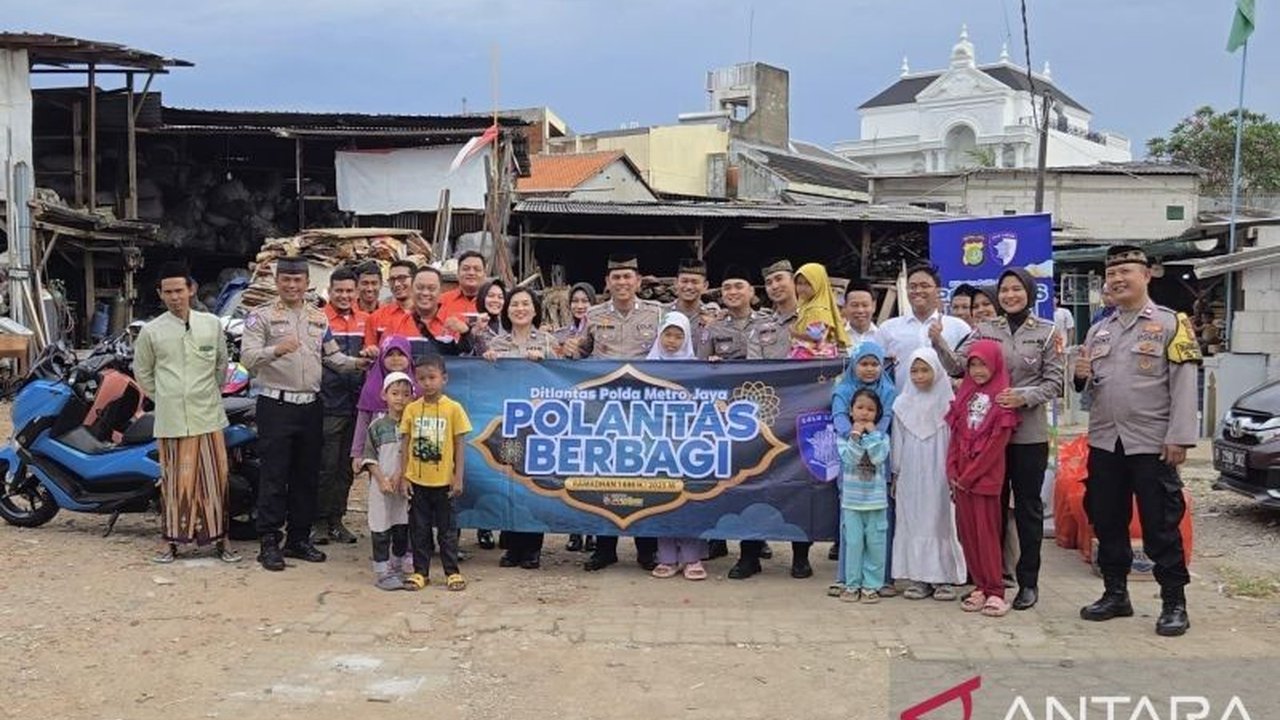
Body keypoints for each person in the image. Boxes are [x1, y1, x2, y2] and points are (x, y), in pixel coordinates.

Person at [1074, 245, 1199, 637]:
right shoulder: (1099, 329)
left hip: (1152, 443)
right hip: (1105, 442)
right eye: (1112, 274)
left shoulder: (1170, 323)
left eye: (1126, 271)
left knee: (1160, 525)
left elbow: (1184, 385)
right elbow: (1089, 394)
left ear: (1147, 275)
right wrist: (1081, 378)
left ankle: (1174, 603)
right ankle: (1116, 593)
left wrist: (1179, 437)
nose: (1118, 279)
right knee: (1107, 520)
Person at [934, 268, 1063, 611]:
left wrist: (1022, 396)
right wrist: (938, 342)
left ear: (1030, 292)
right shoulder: (986, 329)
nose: (1009, 295)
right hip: (985, 437)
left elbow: (1056, 383)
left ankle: (1028, 581)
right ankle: (988, 580)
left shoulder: (1048, 333)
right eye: (1004, 290)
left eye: (1016, 289)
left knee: (1027, 509)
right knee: (987, 510)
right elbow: (959, 368)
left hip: (1026, 435)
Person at [241, 256, 369, 571]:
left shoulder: (318, 318)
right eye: (286, 280)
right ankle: (270, 541)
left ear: (307, 282)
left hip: (311, 405)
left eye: (298, 280)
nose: (292, 286)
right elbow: (247, 358)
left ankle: (299, 538)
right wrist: (276, 350)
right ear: (277, 282)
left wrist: (359, 363)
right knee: (275, 475)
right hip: (276, 404)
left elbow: (334, 357)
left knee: (306, 475)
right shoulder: (261, 317)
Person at [561, 254, 662, 572]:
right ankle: (605, 548)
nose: (621, 282)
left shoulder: (658, 313)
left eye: (627, 277)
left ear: (638, 281)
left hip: (645, 410)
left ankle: (646, 548)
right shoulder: (592, 314)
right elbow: (583, 351)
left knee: (645, 476)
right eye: (615, 277)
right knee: (603, 476)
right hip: (603, 412)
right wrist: (569, 351)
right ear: (607, 282)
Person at [134, 261, 238, 564]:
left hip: (208, 417)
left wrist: (206, 395)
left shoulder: (211, 324)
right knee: (175, 484)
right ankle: (171, 543)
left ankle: (222, 541)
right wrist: (165, 397)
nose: (175, 297)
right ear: (160, 294)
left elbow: (221, 364)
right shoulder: (152, 331)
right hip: (172, 421)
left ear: (191, 289)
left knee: (215, 482)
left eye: (179, 290)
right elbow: (143, 372)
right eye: (168, 292)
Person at [483, 287, 559, 569]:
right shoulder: (498, 344)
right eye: (515, 304)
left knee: (533, 482)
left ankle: (532, 548)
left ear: (535, 310)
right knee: (508, 480)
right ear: (507, 310)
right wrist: (488, 362)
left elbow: (563, 379)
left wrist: (546, 362)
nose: (520, 309)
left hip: (539, 426)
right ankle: (512, 546)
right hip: (507, 425)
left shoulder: (549, 342)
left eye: (526, 304)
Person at [946, 340, 1020, 618]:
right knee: (967, 532)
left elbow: (996, 445)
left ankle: (996, 590)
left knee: (987, 533)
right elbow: (955, 435)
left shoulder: (1002, 398)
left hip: (985, 479)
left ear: (996, 365)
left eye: (983, 365)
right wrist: (952, 471)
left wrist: (970, 475)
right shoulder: (965, 394)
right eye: (973, 365)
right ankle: (979, 585)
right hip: (961, 479)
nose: (977, 371)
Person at [890, 348, 965, 602]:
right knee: (913, 518)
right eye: (914, 370)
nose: (919, 376)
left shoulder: (949, 404)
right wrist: (896, 472)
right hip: (911, 471)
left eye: (925, 370)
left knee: (941, 518)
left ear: (938, 371)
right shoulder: (901, 404)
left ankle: (944, 578)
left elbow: (956, 440)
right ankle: (918, 577)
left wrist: (956, 471)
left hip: (941, 470)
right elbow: (897, 441)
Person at [398, 355, 473, 592]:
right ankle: (421, 572)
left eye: (432, 377)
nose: (427, 383)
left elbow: (460, 444)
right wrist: (404, 476)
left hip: (444, 483)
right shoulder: (411, 409)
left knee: (447, 530)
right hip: (418, 482)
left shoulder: (454, 409)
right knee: (419, 530)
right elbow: (405, 444)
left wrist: (458, 475)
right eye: (421, 379)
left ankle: (452, 572)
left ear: (444, 379)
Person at [645, 313, 710, 581]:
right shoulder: (645, 367)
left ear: (686, 339)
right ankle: (667, 557)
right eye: (667, 335)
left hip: (687, 443)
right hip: (655, 442)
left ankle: (692, 557)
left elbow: (706, 397)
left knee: (690, 495)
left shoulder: (695, 367)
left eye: (678, 336)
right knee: (662, 496)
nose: (672, 341)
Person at [316, 267, 369, 546]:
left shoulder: (366, 320)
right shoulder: (319, 319)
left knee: (347, 467)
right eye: (340, 291)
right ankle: (319, 522)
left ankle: (338, 520)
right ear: (330, 291)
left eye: (350, 291)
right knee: (325, 465)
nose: (345, 295)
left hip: (358, 405)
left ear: (357, 292)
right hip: (328, 403)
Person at [876, 264, 969, 393]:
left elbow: (968, 370)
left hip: (948, 407)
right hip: (902, 408)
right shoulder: (888, 328)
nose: (918, 291)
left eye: (925, 286)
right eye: (912, 287)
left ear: (938, 291)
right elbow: (878, 371)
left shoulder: (959, 328)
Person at [835, 389, 891, 603]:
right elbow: (849, 459)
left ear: (877, 414)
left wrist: (872, 436)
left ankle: (871, 586)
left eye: (870, 409)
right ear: (851, 411)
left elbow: (878, 458)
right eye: (860, 408)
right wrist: (856, 436)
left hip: (876, 502)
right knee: (853, 544)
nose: (865, 413)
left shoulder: (882, 438)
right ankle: (852, 584)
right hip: (852, 503)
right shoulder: (843, 438)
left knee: (875, 546)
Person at [553, 282, 597, 554]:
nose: (580, 306)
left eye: (585, 301)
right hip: (570, 409)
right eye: (575, 301)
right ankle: (575, 530)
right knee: (570, 468)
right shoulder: (558, 335)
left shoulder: (601, 332)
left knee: (593, 469)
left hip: (596, 408)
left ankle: (592, 530)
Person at [359, 370, 413, 591]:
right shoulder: (377, 426)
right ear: (384, 395)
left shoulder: (413, 425)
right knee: (381, 527)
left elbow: (410, 453)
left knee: (402, 526)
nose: (400, 398)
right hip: (381, 487)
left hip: (404, 485)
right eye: (395, 393)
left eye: (405, 394)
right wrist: (381, 479)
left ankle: (399, 565)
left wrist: (402, 475)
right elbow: (369, 457)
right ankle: (382, 571)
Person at [351, 335, 418, 466]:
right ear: (382, 357)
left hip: (412, 457)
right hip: (380, 456)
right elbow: (363, 423)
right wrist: (358, 454)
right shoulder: (371, 388)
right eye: (390, 354)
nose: (396, 359)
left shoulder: (418, 389)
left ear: (409, 357)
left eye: (401, 354)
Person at [831, 341, 897, 435]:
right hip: (848, 443)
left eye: (875, 364)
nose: (869, 369)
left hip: (880, 443)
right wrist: (852, 435)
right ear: (854, 365)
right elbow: (839, 416)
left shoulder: (888, 391)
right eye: (864, 364)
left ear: (881, 366)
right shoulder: (843, 390)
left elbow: (887, 417)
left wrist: (875, 436)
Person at [790, 262, 850, 359]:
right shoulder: (805, 306)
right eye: (799, 283)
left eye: (808, 284)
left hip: (816, 359)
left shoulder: (818, 309)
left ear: (819, 284)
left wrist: (795, 333)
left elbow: (816, 335)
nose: (802, 288)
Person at [364, 259, 417, 351]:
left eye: (402, 278)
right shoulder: (376, 318)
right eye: (392, 279)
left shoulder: (430, 316)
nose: (396, 284)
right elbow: (370, 355)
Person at [438, 250, 488, 324]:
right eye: (466, 269)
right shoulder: (441, 301)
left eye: (477, 269)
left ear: (484, 275)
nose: (471, 273)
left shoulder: (493, 303)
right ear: (457, 273)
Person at [842, 280, 880, 352]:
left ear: (874, 306)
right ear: (845, 306)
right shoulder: (837, 338)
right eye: (854, 305)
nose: (860, 310)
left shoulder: (882, 337)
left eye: (865, 305)